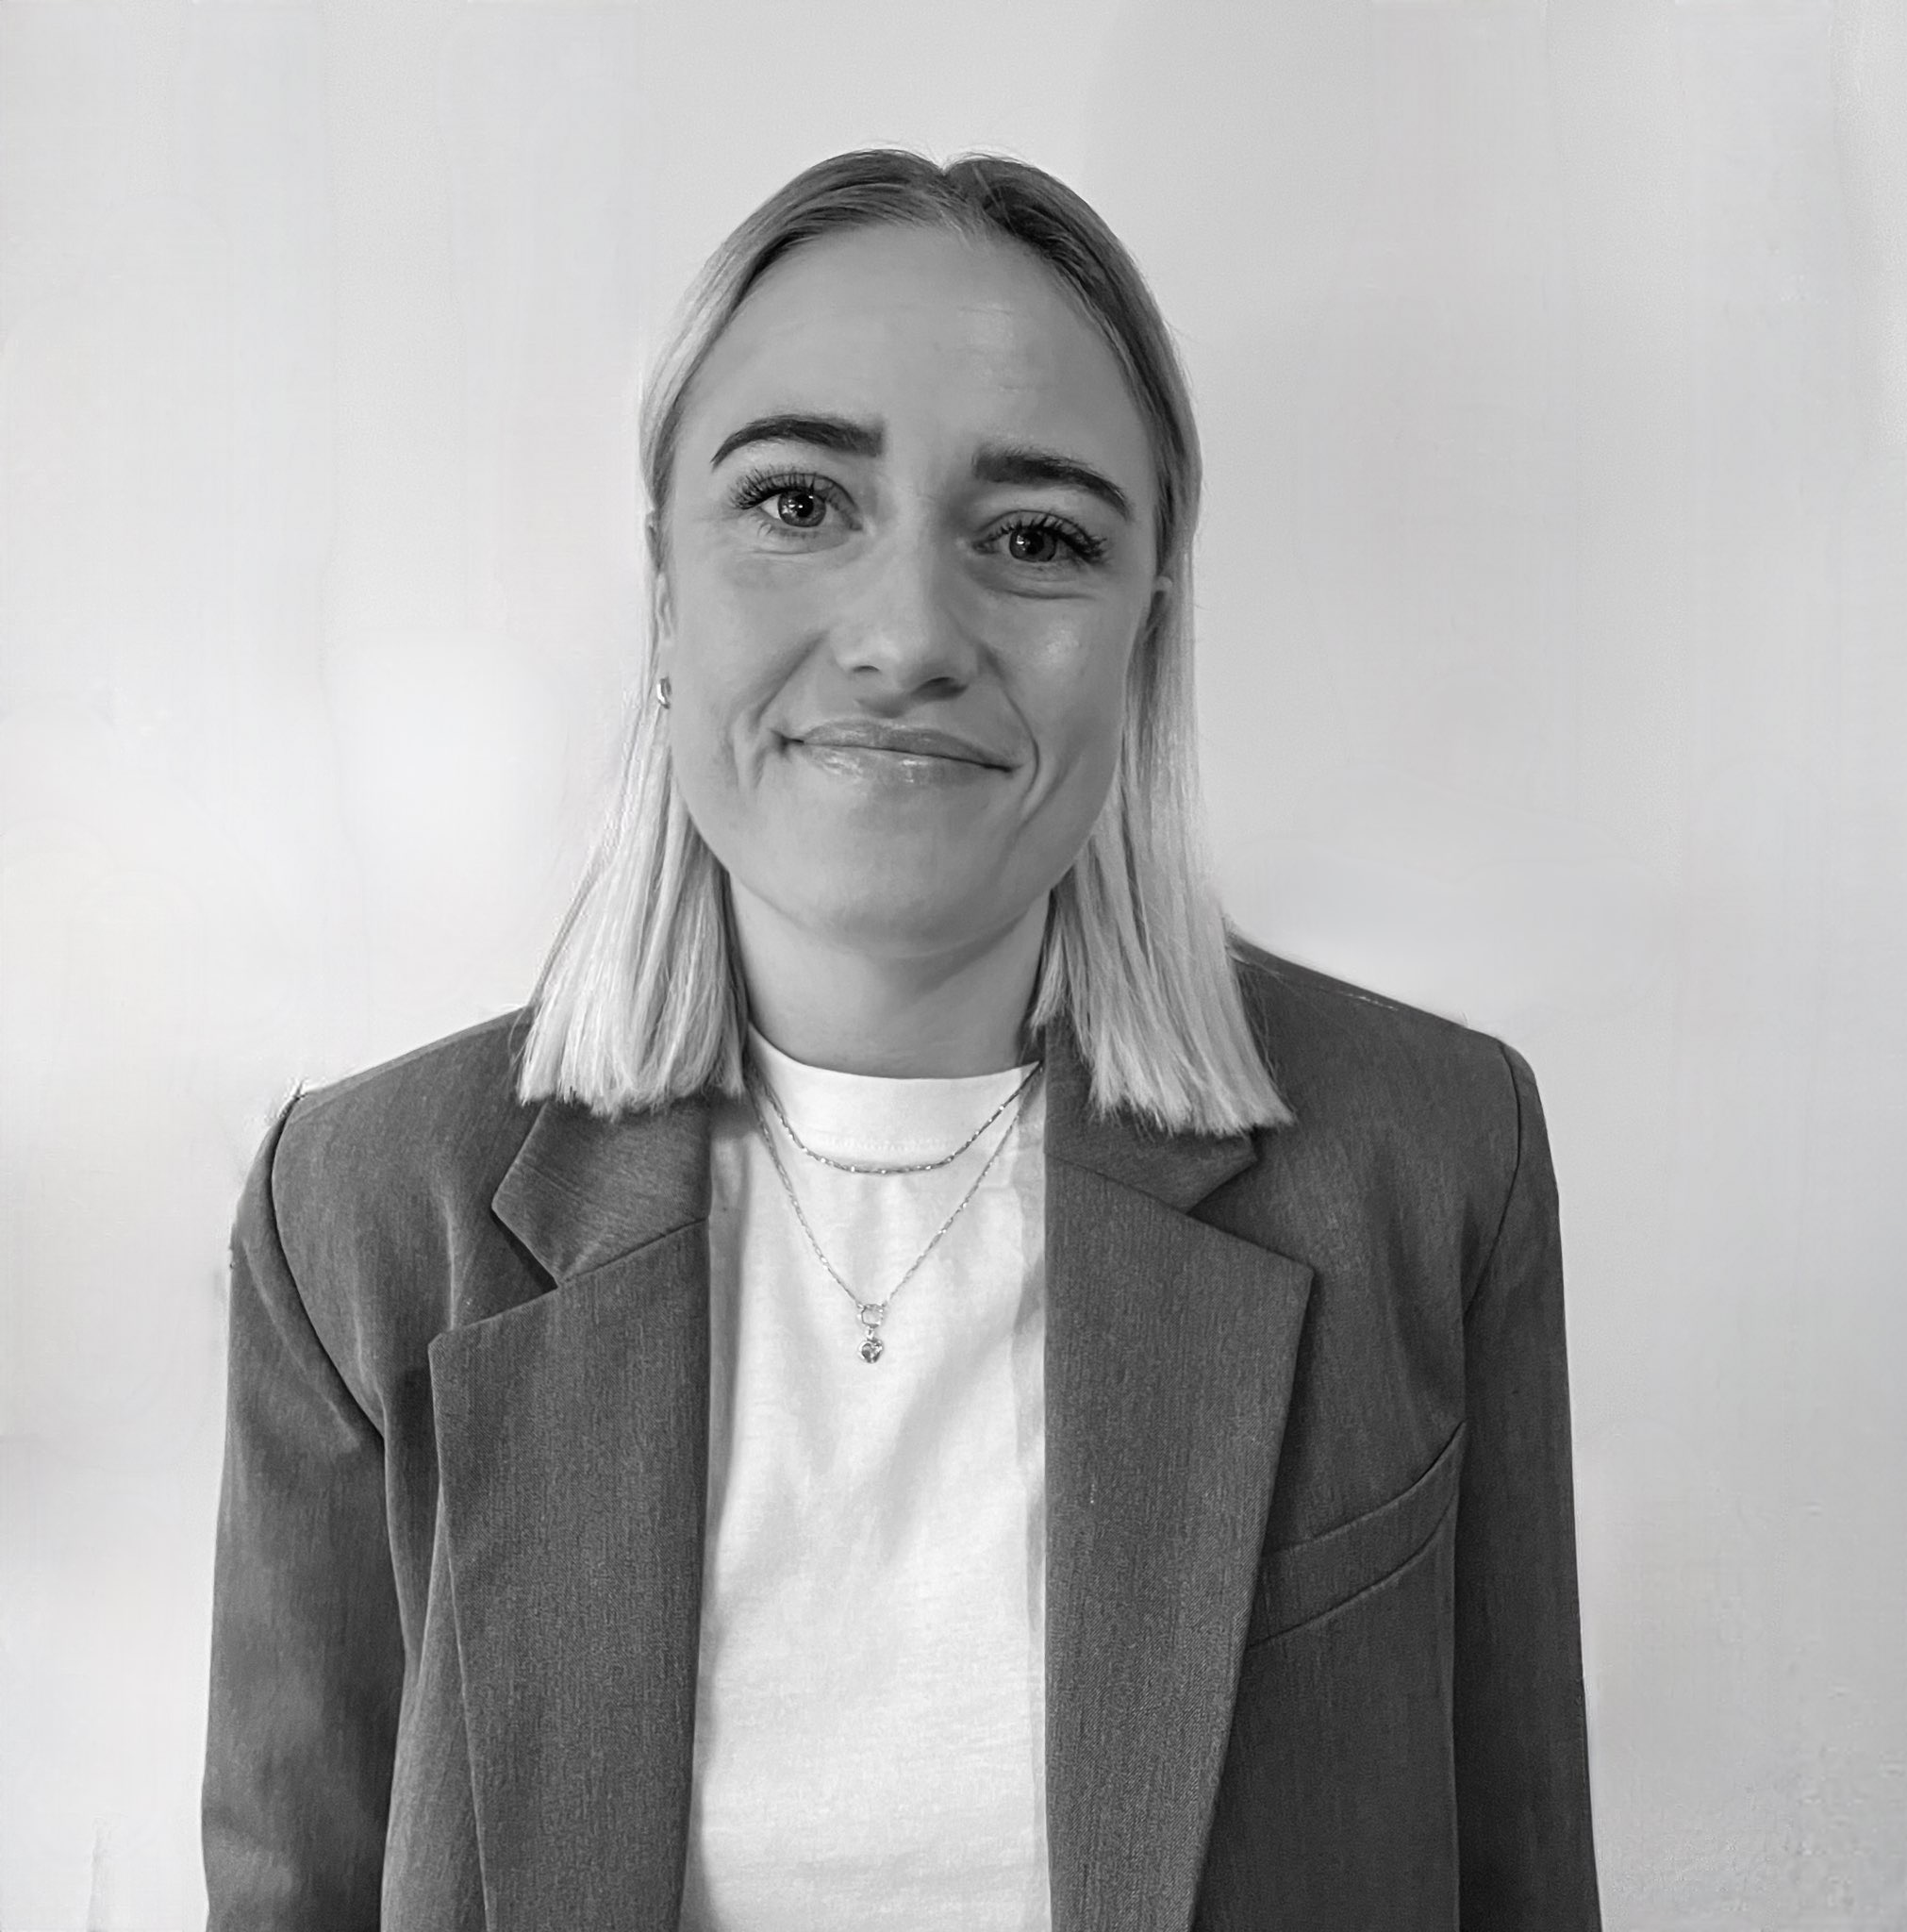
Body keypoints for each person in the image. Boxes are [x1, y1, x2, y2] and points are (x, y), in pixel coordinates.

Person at [202, 148, 1602, 1931]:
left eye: (1038, 537)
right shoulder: (362, 1213)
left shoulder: (1429, 1160)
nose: (906, 638)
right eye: (798, 502)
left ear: (1145, 633)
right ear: (664, 583)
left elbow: (1518, 1880)